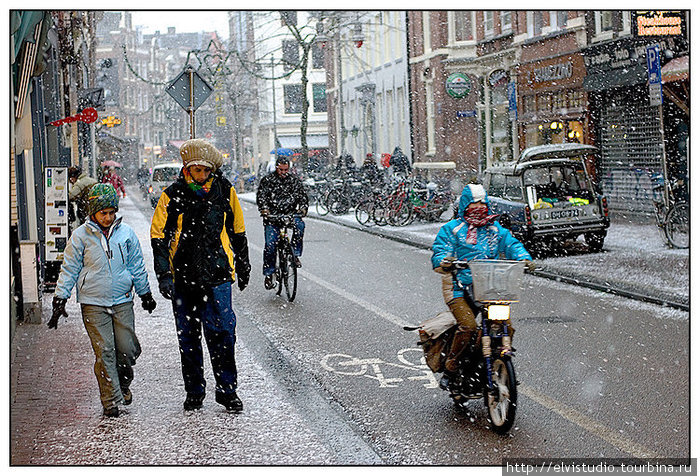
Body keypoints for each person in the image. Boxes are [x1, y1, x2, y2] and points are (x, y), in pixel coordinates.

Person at [151, 138, 251, 413]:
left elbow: (238, 229)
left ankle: (227, 390)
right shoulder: (172, 194)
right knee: (188, 338)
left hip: (218, 274)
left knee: (223, 335)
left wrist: (243, 266)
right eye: (197, 170)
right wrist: (164, 275)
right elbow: (158, 235)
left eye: (206, 170)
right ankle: (194, 390)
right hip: (184, 277)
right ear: (187, 169)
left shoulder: (224, 190)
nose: (203, 175)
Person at [49, 183, 156, 417]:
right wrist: (60, 298)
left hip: (122, 301)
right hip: (93, 303)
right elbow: (69, 269)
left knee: (126, 349)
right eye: (103, 213)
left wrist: (145, 292)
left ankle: (123, 384)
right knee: (105, 350)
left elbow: (136, 265)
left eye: (111, 212)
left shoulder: (126, 234)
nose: (108, 218)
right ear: (93, 212)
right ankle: (111, 400)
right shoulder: (80, 237)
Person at [431, 183, 534, 381]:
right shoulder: (452, 230)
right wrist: (445, 261)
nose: (478, 208)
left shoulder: (494, 229)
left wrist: (524, 258)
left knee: (505, 326)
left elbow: (512, 244)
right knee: (468, 327)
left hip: (489, 287)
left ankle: (494, 361)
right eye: (473, 204)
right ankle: (452, 367)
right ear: (464, 206)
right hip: (459, 288)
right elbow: (441, 250)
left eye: (482, 203)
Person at [256, 156, 309, 290]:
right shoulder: (268, 181)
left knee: (300, 226)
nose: (284, 172)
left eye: (286, 170)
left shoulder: (294, 181)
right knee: (270, 244)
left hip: (290, 214)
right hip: (272, 216)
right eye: (281, 170)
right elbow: (261, 196)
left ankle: (295, 254)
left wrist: (303, 208)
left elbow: (302, 196)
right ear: (277, 168)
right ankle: (269, 273)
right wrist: (265, 209)